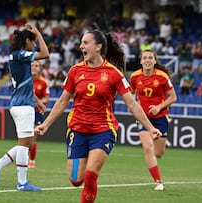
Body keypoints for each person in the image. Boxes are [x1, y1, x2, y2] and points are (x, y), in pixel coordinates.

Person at [35, 30, 161, 203]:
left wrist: (151, 128)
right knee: (75, 180)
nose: (81, 46)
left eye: (85, 43)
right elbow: (63, 101)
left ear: (98, 47)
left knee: (90, 176)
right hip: (77, 129)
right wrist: (46, 124)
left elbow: (132, 104)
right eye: (81, 43)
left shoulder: (113, 73)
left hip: (103, 130)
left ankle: (92, 175)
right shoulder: (74, 71)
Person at [0, 23, 49, 191]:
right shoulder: (20, 55)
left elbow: (24, 84)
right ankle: (21, 182)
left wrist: (38, 101)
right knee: (24, 145)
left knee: (26, 143)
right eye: (33, 42)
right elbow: (45, 54)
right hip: (23, 107)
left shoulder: (16, 56)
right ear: (27, 41)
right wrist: (39, 33)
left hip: (21, 104)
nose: (34, 45)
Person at [130, 50, 177, 191]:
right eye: (145, 58)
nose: (148, 60)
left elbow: (173, 97)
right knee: (147, 147)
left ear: (155, 61)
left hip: (160, 117)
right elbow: (131, 93)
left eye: (150, 58)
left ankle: (158, 177)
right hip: (143, 117)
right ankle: (159, 181)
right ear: (141, 61)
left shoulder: (162, 77)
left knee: (158, 153)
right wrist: (132, 105)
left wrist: (159, 107)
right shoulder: (134, 77)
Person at [28, 60, 50, 168]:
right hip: (25, 111)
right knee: (25, 137)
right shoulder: (26, 81)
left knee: (33, 137)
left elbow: (46, 98)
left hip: (37, 112)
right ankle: (25, 159)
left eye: (36, 65)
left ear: (40, 68)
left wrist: (38, 101)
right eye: (32, 65)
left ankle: (31, 160)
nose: (34, 67)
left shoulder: (43, 82)